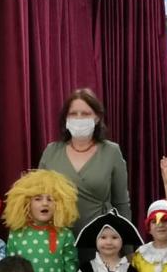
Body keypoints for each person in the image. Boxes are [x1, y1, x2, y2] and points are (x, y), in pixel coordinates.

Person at [38, 87, 132, 236]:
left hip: (101, 241)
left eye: (86, 114)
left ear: (97, 118)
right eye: (73, 114)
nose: (79, 118)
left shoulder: (111, 152)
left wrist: (127, 243)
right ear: (66, 118)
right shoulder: (51, 152)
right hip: (59, 241)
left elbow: (121, 204)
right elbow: (37, 199)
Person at [4, 168, 79, 272]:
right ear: (26, 203)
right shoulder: (17, 234)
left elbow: (70, 271)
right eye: (38, 199)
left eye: (50, 199)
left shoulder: (64, 234)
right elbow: (10, 270)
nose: (45, 203)